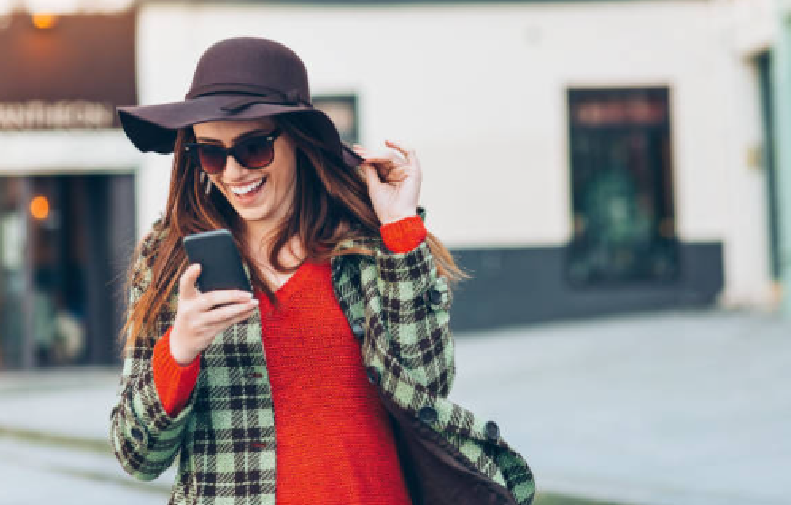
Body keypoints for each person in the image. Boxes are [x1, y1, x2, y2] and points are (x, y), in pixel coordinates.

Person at [109, 37, 535, 505]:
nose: (232, 172)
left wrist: (399, 227)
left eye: (253, 148)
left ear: (296, 139)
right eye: (211, 153)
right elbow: (137, 456)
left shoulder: (365, 246)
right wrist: (180, 351)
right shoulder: (169, 259)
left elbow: (427, 383)